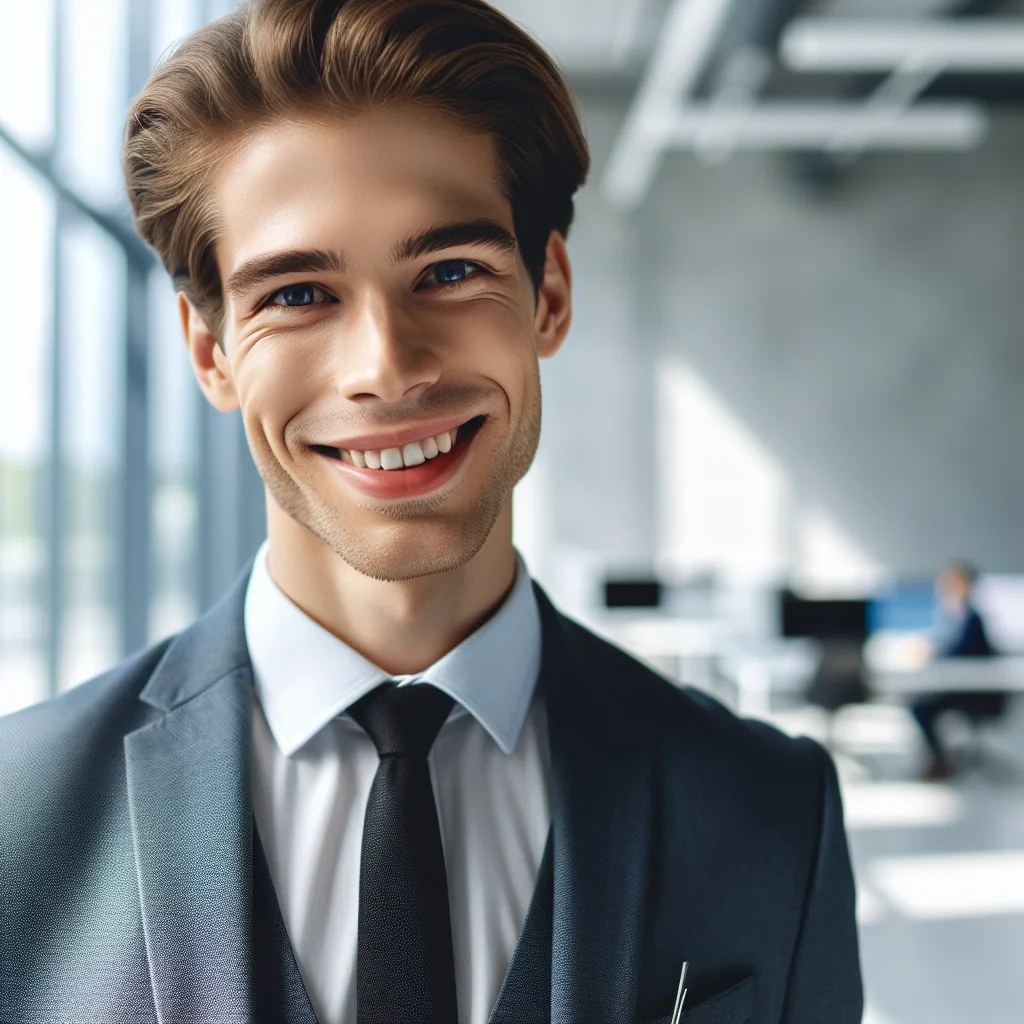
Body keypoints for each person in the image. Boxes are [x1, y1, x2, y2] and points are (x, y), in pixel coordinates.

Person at [0, 2, 862, 1021]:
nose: (385, 367)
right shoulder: (19, 813)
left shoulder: (768, 811)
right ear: (210, 350)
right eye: (296, 295)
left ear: (547, 293)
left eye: (450, 272)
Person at [911, 561, 1004, 780]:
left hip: (976, 694)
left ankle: (940, 763)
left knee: (922, 709)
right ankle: (939, 761)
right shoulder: (952, 617)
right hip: (962, 688)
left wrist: (932, 653)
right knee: (921, 706)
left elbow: (958, 652)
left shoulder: (972, 619)